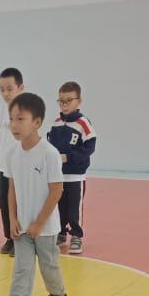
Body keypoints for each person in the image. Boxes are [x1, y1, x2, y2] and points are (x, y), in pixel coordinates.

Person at [0, 93, 69, 296]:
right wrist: (13, 219)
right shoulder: (12, 154)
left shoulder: (49, 153)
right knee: (22, 268)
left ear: (37, 122)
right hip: (23, 226)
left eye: (20, 119)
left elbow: (57, 190)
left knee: (49, 267)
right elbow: (12, 188)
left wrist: (39, 223)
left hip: (45, 227)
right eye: (11, 119)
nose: (14, 124)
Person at [47, 81, 96, 254]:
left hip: (75, 176)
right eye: (61, 101)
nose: (64, 104)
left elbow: (90, 147)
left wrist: (69, 157)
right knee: (59, 206)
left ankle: (76, 235)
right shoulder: (56, 123)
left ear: (78, 101)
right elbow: (50, 147)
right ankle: (60, 233)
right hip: (58, 176)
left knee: (74, 208)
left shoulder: (83, 123)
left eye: (69, 100)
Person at [0, 67, 25, 256]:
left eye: (9, 89)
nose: (5, 93)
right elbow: (0, 135)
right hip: (2, 165)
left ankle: (20, 239)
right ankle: (9, 237)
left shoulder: (25, 111)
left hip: (19, 167)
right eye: (2, 89)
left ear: (21, 88)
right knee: (4, 203)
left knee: (19, 203)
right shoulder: (0, 111)